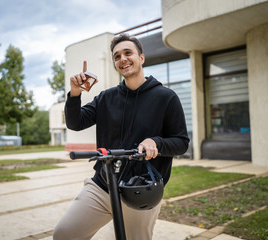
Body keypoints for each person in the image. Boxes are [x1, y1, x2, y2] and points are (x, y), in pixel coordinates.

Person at [53, 33, 189, 240]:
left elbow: (181, 142)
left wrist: (156, 142)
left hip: (140, 189)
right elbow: (75, 123)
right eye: (117, 56)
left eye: (128, 53)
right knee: (65, 234)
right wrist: (74, 94)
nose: (122, 59)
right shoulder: (106, 98)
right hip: (102, 186)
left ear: (141, 58)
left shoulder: (166, 97)